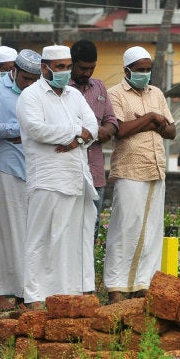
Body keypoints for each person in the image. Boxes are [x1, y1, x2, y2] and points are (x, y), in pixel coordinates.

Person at [16, 45, 98, 309]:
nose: (65, 71)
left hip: (76, 175)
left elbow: (94, 127)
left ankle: (66, 293)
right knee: (40, 238)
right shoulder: (30, 95)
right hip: (47, 177)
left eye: (67, 66)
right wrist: (76, 133)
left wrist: (77, 138)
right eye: (59, 67)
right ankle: (35, 297)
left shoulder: (74, 95)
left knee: (70, 238)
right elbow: (37, 129)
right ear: (44, 67)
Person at [103, 46, 176, 304]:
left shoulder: (156, 92)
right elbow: (121, 130)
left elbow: (171, 131)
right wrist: (152, 118)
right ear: (127, 71)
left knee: (151, 230)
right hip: (130, 169)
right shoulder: (115, 94)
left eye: (148, 69)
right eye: (140, 70)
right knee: (125, 229)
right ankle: (116, 287)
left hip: (155, 168)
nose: (145, 74)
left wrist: (146, 121)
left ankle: (143, 284)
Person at [0, 49, 41, 311]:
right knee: (6, 234)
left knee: (32, 234)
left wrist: (25, 132)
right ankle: (2, 293)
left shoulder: (41, 91)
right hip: (4, 168)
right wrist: (26, 130)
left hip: (36, 170)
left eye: (34, 79)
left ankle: (26, 291)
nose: (29, 84)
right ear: (14, 71)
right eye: (25, 78)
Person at [68, 40, 118, 241]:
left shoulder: (99, 87)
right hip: (68, 171)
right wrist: (97, 133)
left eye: (92, 68)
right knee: (69, 229)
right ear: (71, 63)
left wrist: (101, 131)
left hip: (95, 171)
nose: (87, 73)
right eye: (83, 68)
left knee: (93, 228)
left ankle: (87, 273)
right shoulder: (62, 89)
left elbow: (112, 122)